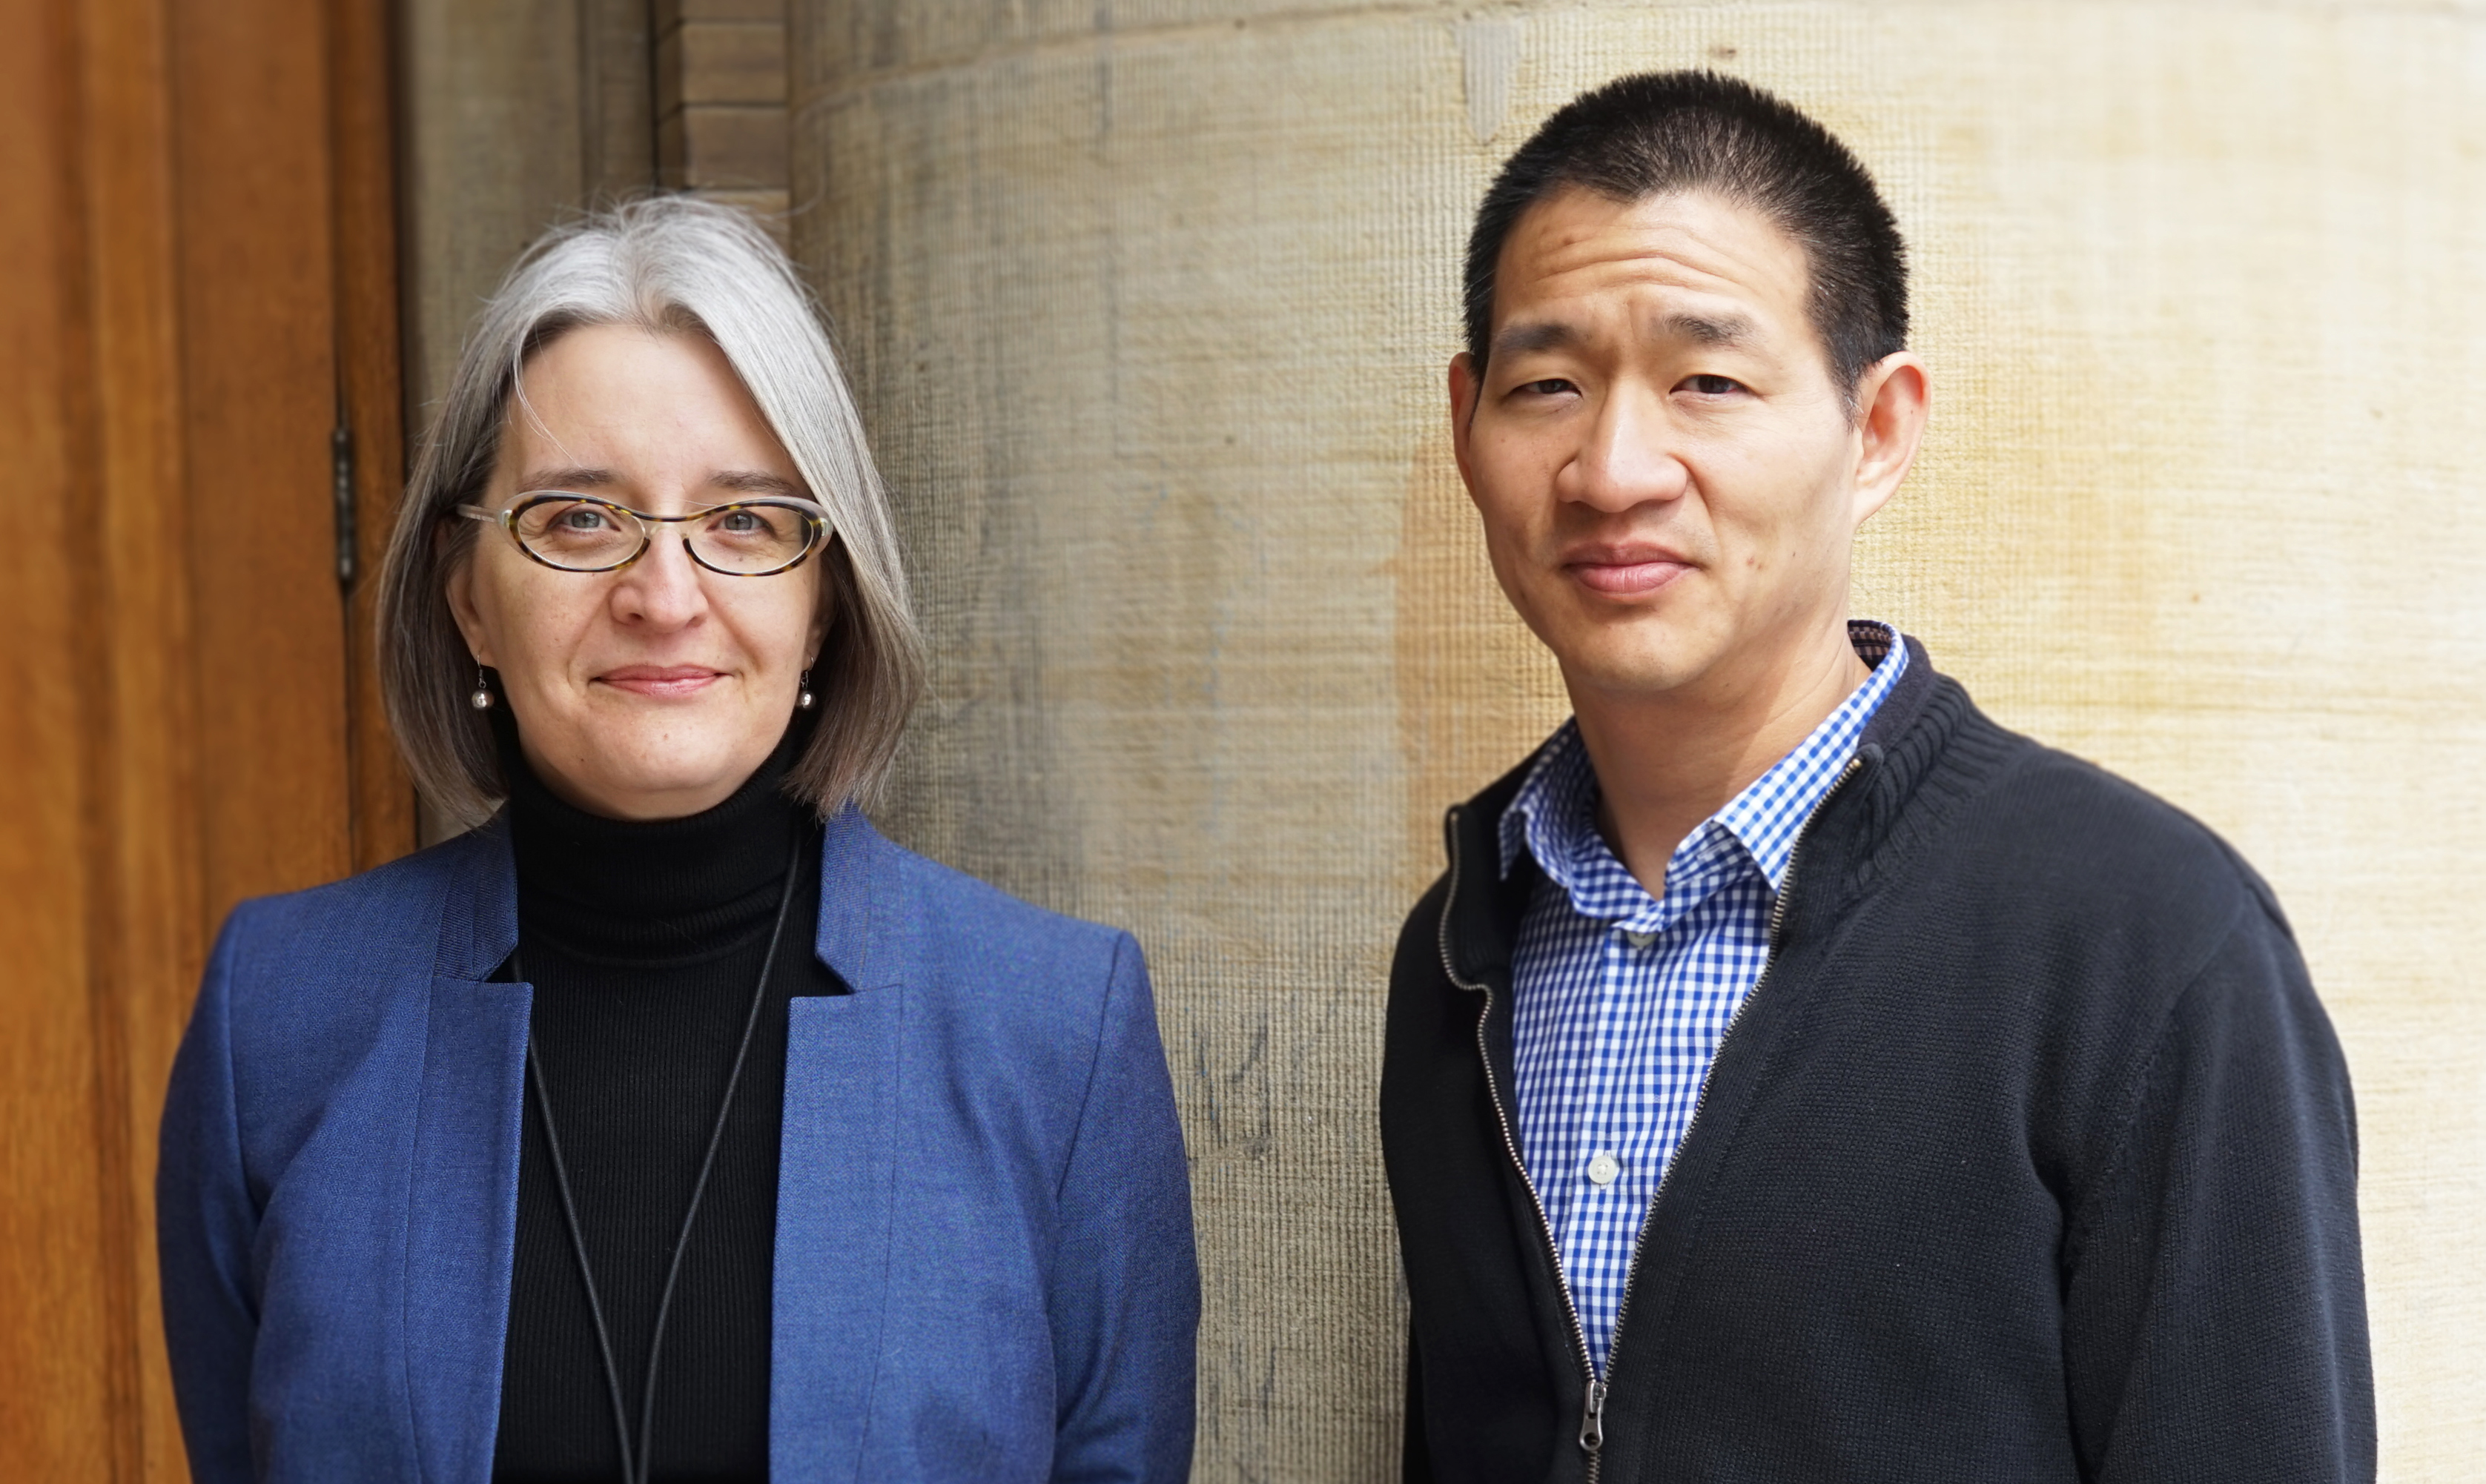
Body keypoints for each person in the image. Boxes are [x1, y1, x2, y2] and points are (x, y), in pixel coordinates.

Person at [1381, 71, 2370, 1483]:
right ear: (1471, 426)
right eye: (1547, 386)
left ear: (1878, 430)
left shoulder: (2143, 939)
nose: (1611, 468)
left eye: (1706, 381)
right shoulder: (1463, 947)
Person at [156, 199, 1199, 1483]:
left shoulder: (1054, 1029)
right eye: (579, 519)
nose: (664, 595)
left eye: (747, 521)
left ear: (825, 601)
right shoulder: (279, 1013)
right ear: (465, 593)